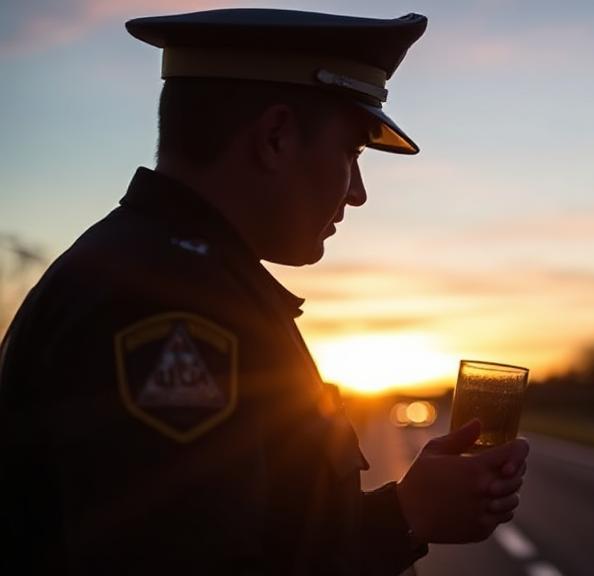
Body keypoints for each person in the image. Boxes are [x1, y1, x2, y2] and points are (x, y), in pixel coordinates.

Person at [0, 8, 529, 575]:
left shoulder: (168, 274)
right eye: (350, 154)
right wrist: (403, 521)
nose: (358, 193)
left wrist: (406, 510)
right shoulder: (168, 307)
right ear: (275, 138)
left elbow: (265, 537)